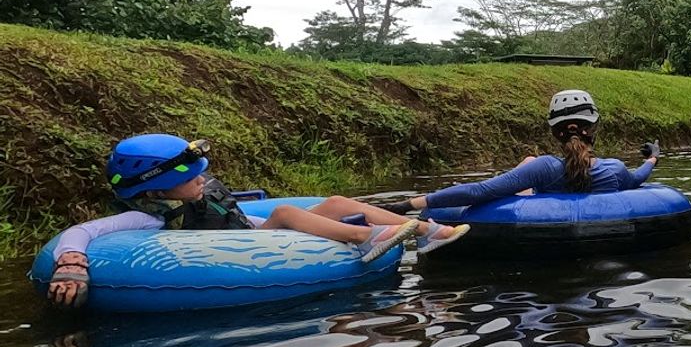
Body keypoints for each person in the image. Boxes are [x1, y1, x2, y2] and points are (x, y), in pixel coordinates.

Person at [42, 133, 457, 310]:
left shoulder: (190, 194)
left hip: (253, 233)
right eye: (190, 178)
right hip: (244, 247)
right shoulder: (143, 219)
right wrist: (73, 262)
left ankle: (425, 230)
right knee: (283, 213)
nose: (202, 179)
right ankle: (366, 238)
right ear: (155, 192)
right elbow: (83, 231)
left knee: (333, 200)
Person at [387, 89, 660, 211]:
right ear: (594, 129)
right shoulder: (614, 169)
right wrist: (652, 157)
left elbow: (480, 191)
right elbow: (638, 178)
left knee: (526, 166)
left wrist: (407, 204)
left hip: (538, 231)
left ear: (554, 132)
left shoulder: (545, 168)